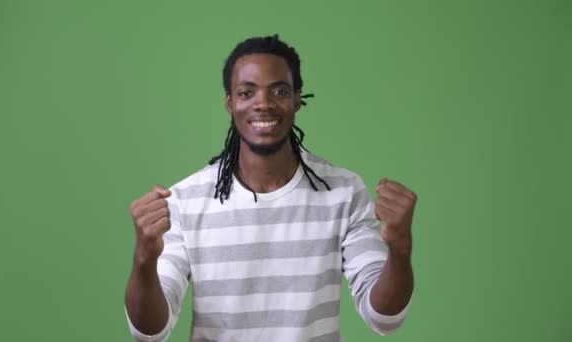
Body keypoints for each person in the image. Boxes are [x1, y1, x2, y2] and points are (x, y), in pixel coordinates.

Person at [124, 34, 417, 342]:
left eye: (279, 91)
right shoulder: (185, 200)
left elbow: (384, 318)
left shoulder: (344, 192)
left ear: (297, 99)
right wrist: (144, 259)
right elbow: (149, 332)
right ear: (230, 102)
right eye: (246, 92)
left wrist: (400, 250)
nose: (263, 104)